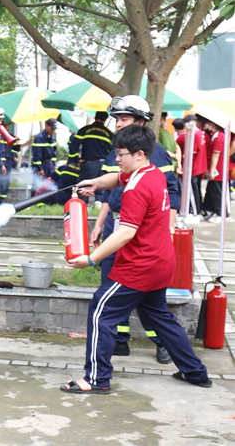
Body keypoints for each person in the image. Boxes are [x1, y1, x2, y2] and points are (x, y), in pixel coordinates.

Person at [61, 124, 211, 394]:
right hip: (160, 262)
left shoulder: (136, 189)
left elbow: (126, 233)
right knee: (160, 318)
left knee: (101, 311)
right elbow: (118, 178)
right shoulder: (151, 173)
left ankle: (96, 379)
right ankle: (195, 372)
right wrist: (96, 183)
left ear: (138, 154)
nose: (117, 160)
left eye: (121, 154)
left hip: (139, 267)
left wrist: (91, 259)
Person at [91, 95, 179, 364]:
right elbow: (111, 190)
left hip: (139, 233)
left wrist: (169, 231)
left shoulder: (155, 154)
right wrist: (98, 224)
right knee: (110, 284)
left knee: (145, 296)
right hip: (115, 226)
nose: (118, 124)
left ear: (140, 122)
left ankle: (161, 342)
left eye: (124, 119)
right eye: (116, 119)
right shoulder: (116, 152)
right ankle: (119, 340)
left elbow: (171, 194)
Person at [68, 111, 113, 185]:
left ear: (95, 117)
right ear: (105, 119)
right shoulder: (109, 134)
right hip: (103, 166)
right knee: (101, 191)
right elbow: (113, 151)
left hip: (87, 165)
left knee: (83, 190)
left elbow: (73, 145)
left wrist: (76, 159)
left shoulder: (84, 130)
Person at [199, 114, 227, 223]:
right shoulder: (217, 135)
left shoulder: (218, 137)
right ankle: (216, 212)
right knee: (213, 191)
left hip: (218, 169)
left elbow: (216, 154)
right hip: (218, 168)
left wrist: (211, 170)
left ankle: (219, 213)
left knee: (217, 192)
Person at [31, 119, 58, 183]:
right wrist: (40, 169)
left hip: (50, 165)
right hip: (41, 165)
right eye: (52, 128)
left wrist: (54, 165)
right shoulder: (39, 138)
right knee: (38, 186)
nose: (53, 130)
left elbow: (54, 153)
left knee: (49, 186)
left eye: (54, 129)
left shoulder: (52, 138)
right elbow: (36, 155)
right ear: (46, 126)